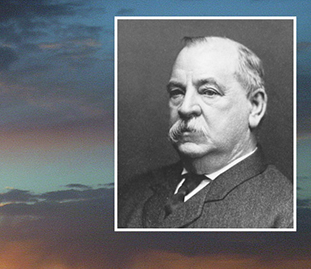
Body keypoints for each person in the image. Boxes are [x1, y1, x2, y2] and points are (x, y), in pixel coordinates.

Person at [118, 36, 293, 229]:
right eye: (177, 92)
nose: (185, 108)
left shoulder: (285, 212)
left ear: (255, 107)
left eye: (209, 92)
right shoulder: (131, 193)